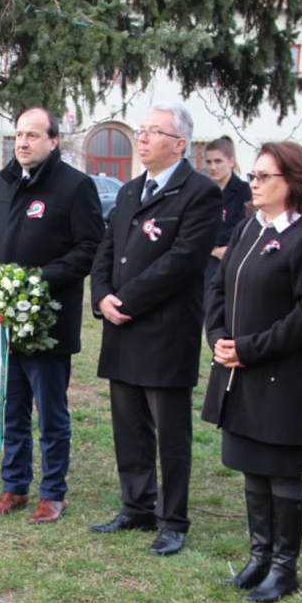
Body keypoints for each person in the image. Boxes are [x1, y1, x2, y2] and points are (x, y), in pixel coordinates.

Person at [201, 142, 302, 603]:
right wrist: (218, 337)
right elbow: (218, 288)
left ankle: (284, 568)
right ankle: (259, 558)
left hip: (283, 374)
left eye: (264, 177)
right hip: (237, 367)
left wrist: (250, 349)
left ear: (293, 182)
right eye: (253, 176)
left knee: (280, 470)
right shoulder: (248, 228)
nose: (254, 184)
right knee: (252, 465)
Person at [88, 103, 222, 556]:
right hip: (121, 328)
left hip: (165, 330)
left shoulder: (199, 193)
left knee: (171, 431)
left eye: (153, 132)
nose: (142, 138)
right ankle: (136, 506)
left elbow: (182, 261)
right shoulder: (130, 191)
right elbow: (106, 250)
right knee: (128, 425)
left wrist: (126, 300)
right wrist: (101, 296)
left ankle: (173, 519)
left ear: (179, 144)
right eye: (141, 130)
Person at [0, 106, 104, 524]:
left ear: (53, 141)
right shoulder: (1, 181)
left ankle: (53, 493)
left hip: (47, 324)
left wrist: (37, 281)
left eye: (32, 135)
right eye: (19, 134)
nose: (23, 143)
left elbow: (89, 248)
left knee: (51, 414)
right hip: (4, 325)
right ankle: (14, 487)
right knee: (12, 409)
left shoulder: (75, 186)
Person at [203, 136, 252, 292]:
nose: (213, 167)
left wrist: (210, 243)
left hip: (231, 260)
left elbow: (244, 226)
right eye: (209, 162)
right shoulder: (204, 192)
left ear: (231, 162)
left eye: (218, 161)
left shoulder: (245, 191)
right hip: (205, 263)